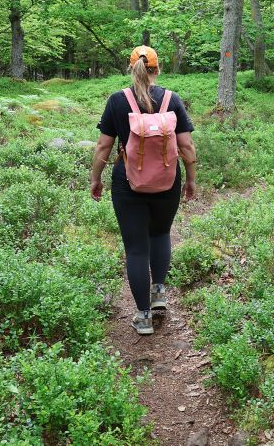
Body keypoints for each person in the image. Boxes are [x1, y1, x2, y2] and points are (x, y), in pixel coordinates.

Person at [90, 45, 198, 335]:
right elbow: (186, 146)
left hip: (128, 183)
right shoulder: (172, 100)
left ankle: (144, 316)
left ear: (131, 69)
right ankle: (159, 292)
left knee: (136, 249)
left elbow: (103, 146)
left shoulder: (117, 101)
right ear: (157, 69)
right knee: (161, 234)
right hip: (167, 181)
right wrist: (190, 178)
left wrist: (95, 178)